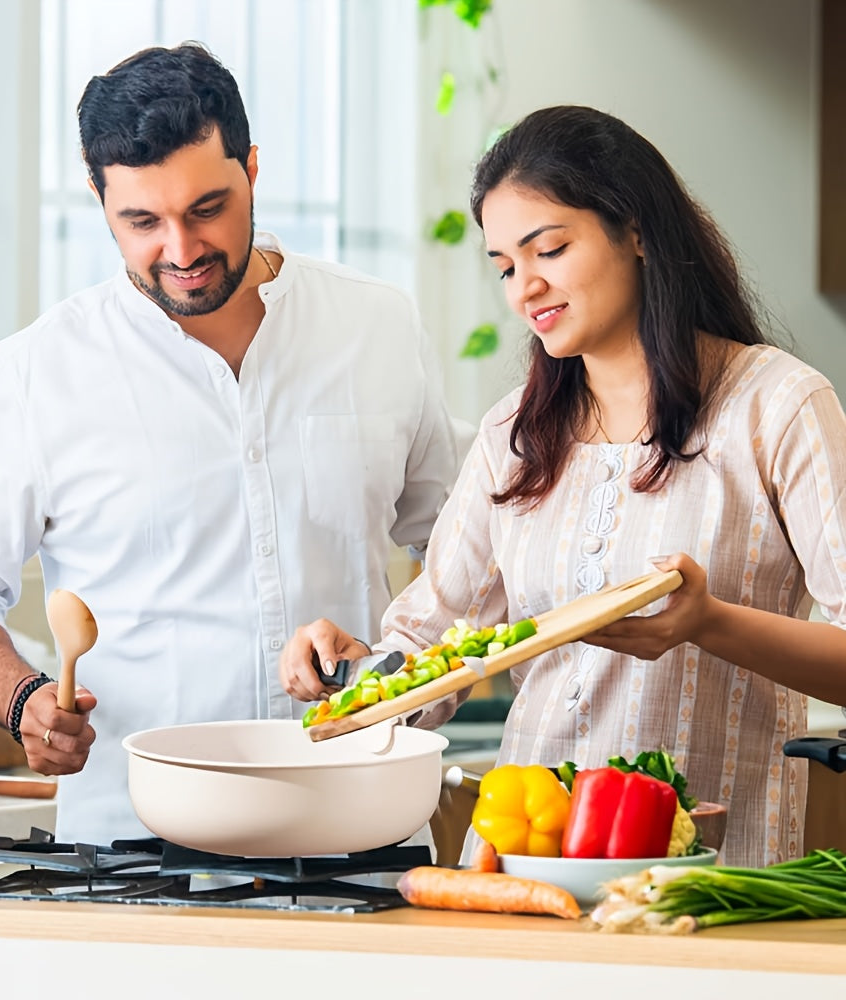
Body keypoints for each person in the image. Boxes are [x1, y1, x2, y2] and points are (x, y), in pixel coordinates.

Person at [0, 42, 463, 844]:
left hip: (361, 829)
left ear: (253, 169)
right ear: (99, 200)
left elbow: (461, 552)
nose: (183, 250)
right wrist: (22, 697)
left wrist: (401, 662)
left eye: (207, 208)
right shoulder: (40, 371)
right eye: (141, 221)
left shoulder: (376, 324)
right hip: (136, 850)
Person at [279, 105, 846, 869]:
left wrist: (707, 621)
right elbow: (431, 645)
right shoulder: (514, 435)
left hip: (711, 875)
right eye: (506, 266)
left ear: (636, 229)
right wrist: (355, 675)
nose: (525, 288)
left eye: (549, 248)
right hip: (522, 864)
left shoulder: (777, 406)